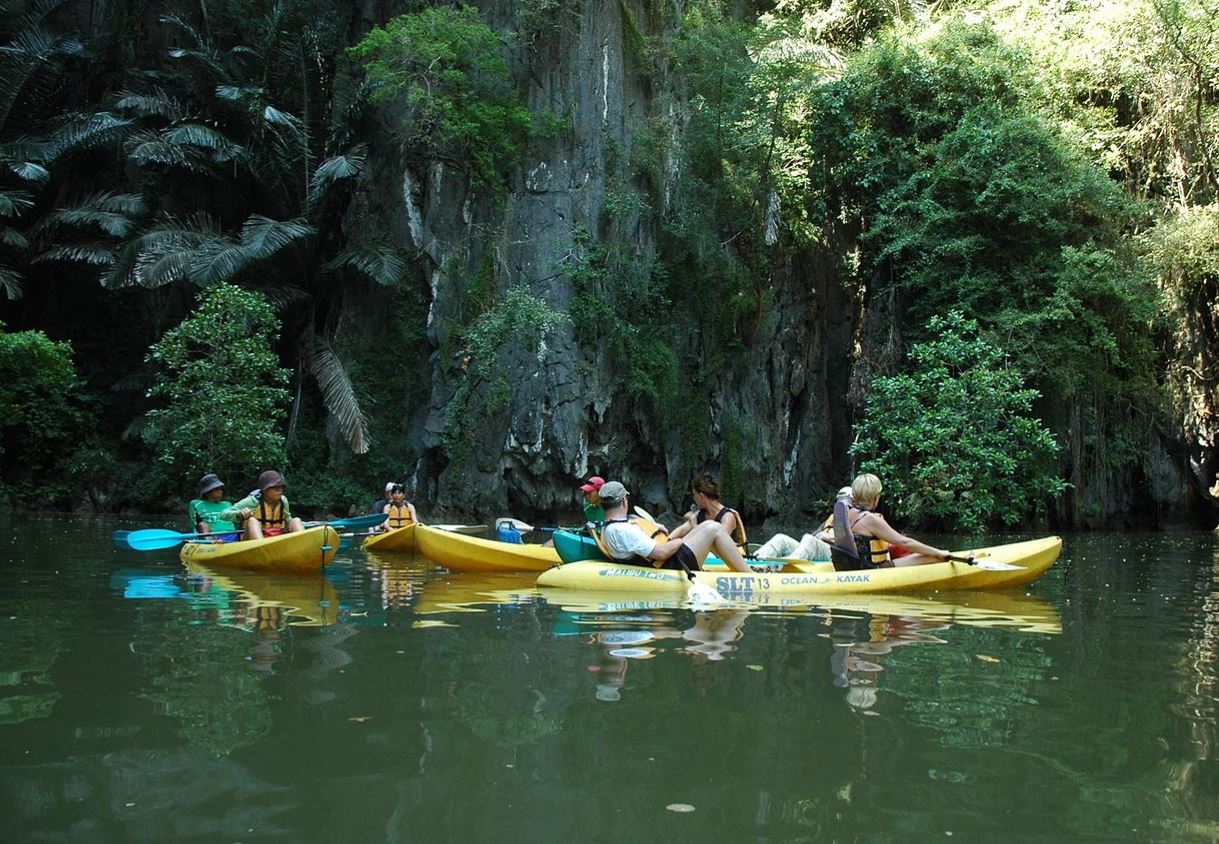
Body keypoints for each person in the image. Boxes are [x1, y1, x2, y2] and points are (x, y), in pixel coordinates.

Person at [590, 481, 753, 573]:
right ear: (625, 501)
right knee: (714, 528)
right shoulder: (622, 531)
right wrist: (679, 541)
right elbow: (662, 553)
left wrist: (654, 530)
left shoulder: (609, 527)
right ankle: (749, 575)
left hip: (666, 559)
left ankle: (741, 566)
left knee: (709, 525)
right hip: (672, 564)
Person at [831, 473, 949, 571]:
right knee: (932, 557)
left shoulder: (846, 514)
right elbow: (904, 542)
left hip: (852, 567)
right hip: (872, 569)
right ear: (875, 498)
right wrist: (937, 552)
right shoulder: (871, 519)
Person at [752, 486, 851, 561]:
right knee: (781, 538)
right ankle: (753, 559)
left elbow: (852, 545)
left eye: (845, 500)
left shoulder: (854, 516)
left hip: (835, 555)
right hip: (819, 549)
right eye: (840, 500)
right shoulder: (833, 517)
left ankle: (787, 564)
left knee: (809, 539)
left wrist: (831, 538)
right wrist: (817, 536)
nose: (842, 503)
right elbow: (813, 536)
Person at [669, 473, 748, 555]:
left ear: (702, 496)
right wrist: (667, 540)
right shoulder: (700, 514)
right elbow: (682, 530)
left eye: (694, 495)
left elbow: (720, 544)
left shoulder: (727, 517)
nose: (694, 498)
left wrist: (695, 527)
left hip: (725, 559)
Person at [223, 470, 305, 540]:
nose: (280, 490)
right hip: (251, 540)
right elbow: (223, 514)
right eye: (276, 488)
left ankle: (304, 547)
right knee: (252, 521)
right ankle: (262, 547)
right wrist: (239, 513)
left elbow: (288, 519)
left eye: (281, 487)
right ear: (265, 490)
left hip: (277, 535)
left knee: (296, 520)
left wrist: (300, 524)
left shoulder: (283, 500)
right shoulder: (252, 501)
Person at [188, 473, 236, 538]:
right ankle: (210, 544)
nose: (220, 491)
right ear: (207, 491)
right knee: (202, 525)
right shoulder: (196, 504)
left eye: (220, 489)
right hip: (214, 538)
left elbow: (237, 523)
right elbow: (194, 526)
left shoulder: (228, 504)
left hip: (233, 535)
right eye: (217, 489)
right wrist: (194, 540)